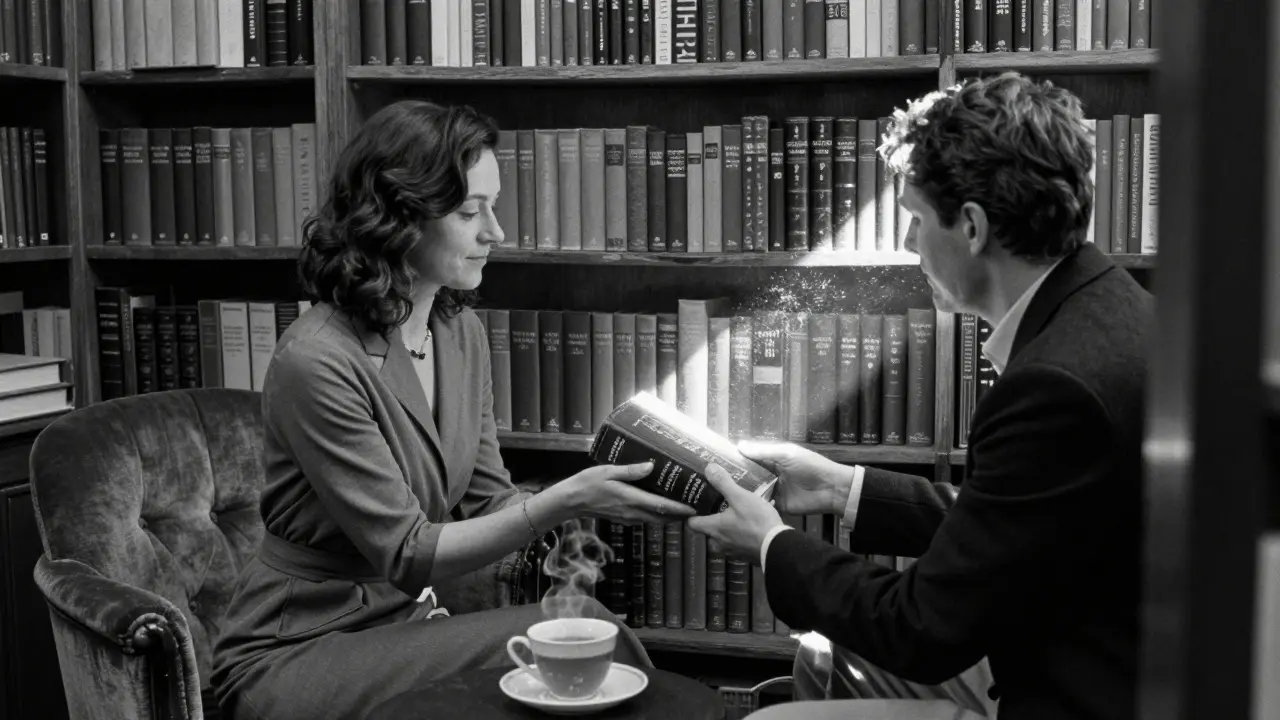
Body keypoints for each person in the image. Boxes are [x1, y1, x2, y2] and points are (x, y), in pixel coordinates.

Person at [689, 72, 1154, 720]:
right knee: (823, 657)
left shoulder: (1055, 387)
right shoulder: (1107, 305)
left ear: (971, 226)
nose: (907, 245)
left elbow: (923, 630)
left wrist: (771, 544)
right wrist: (839, 487)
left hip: (1072, 692)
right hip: (1092, 649)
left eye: (913, 218)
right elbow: (1016, 523)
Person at [211, 100, 696, 720]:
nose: (496, 231)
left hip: (406, 625)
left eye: (492, 207)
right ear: (399, 219)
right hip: (296, 648)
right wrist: (571, 497)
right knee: (592, 636)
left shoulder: (460, 333)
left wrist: (633, 493)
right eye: (471, 211)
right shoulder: (315, 361)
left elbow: (490, 498)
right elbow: (409, 553)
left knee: (581, 639)